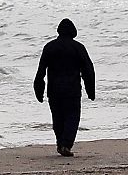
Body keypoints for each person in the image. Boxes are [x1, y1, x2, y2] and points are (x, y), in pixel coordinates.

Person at [34, 18, 95, 156]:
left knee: (58, 118)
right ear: (73, 32)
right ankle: (66, 145)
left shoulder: (49, 47)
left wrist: (39, 89)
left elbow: (41, 71)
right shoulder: (78, 48)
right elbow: (88, 70)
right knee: (72, 117)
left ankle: (60, 143)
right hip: (72, 90)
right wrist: (91, 90)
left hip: (54, 91)